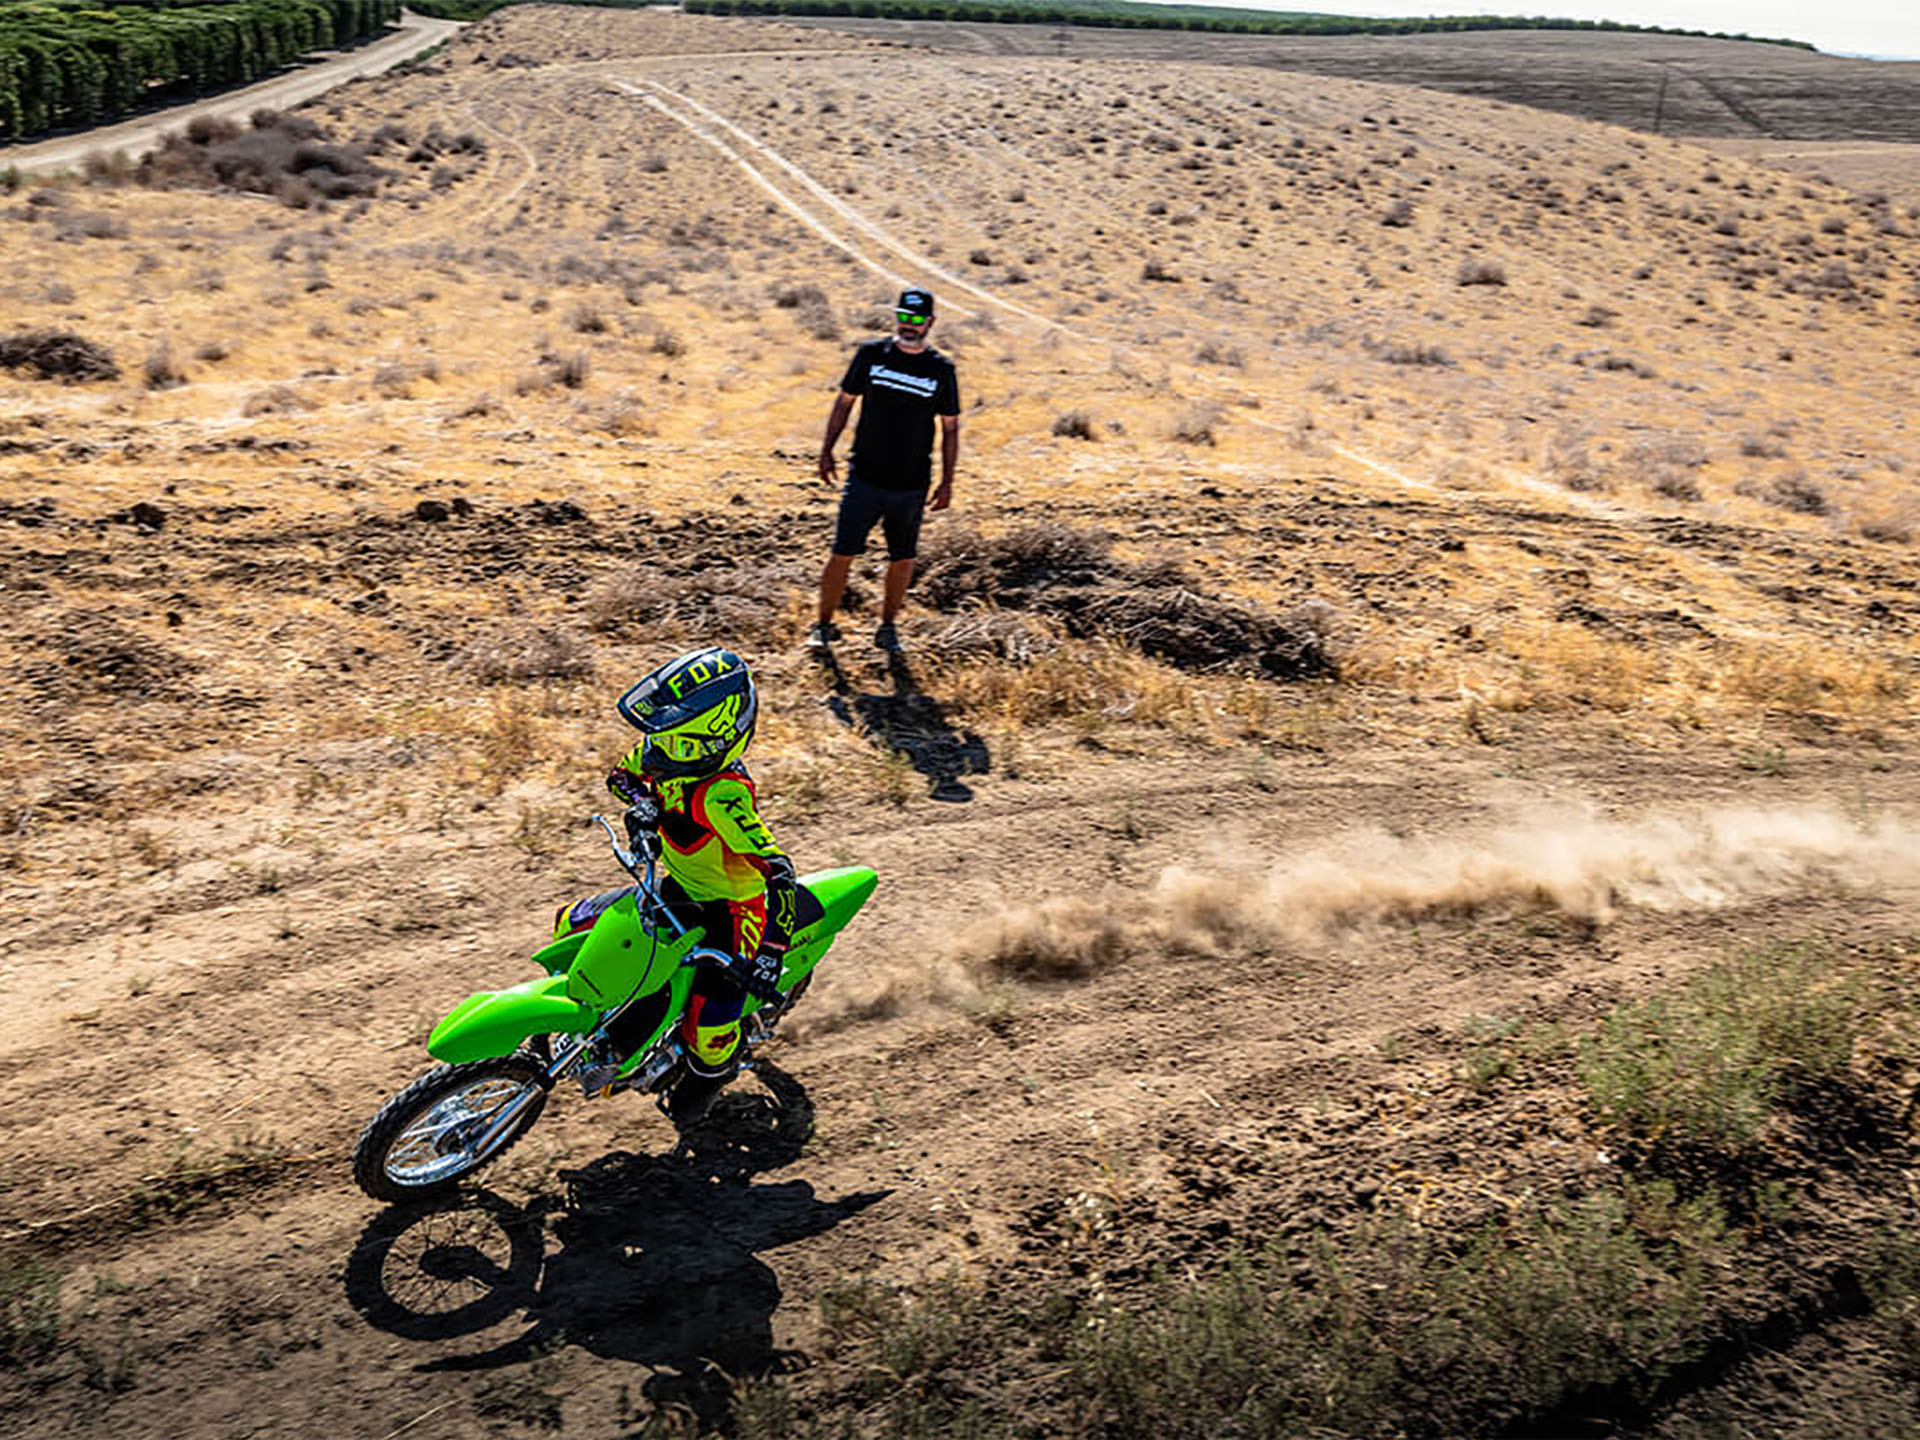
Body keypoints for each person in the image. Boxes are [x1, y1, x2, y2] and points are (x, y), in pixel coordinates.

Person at [554, 647, 799, 1125]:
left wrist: (770, 954)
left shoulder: (723, 798)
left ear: (709, 739)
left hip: (734, 915)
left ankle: (703, 1086)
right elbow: (622, 776)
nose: (656, 750)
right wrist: (642, 806)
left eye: (673, 742)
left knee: (709, 1040)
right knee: (571, 923)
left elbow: (781, 876)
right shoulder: (664, 752)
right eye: (658, 738)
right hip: (678, 889)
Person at [811, 286, 961, 654]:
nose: (909, 325)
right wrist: (827, 449)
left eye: (917, 319)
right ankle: (823, 626)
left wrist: (946, 482)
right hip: (864, 475)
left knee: (902, 557)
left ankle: (888, 627)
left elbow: (950, 427)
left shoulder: (941, 370)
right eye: (903, 317)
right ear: (897, 318)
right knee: (841, 553)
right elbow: (844, 402)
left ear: (930, 322)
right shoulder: (871, 355)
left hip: (910, 483)